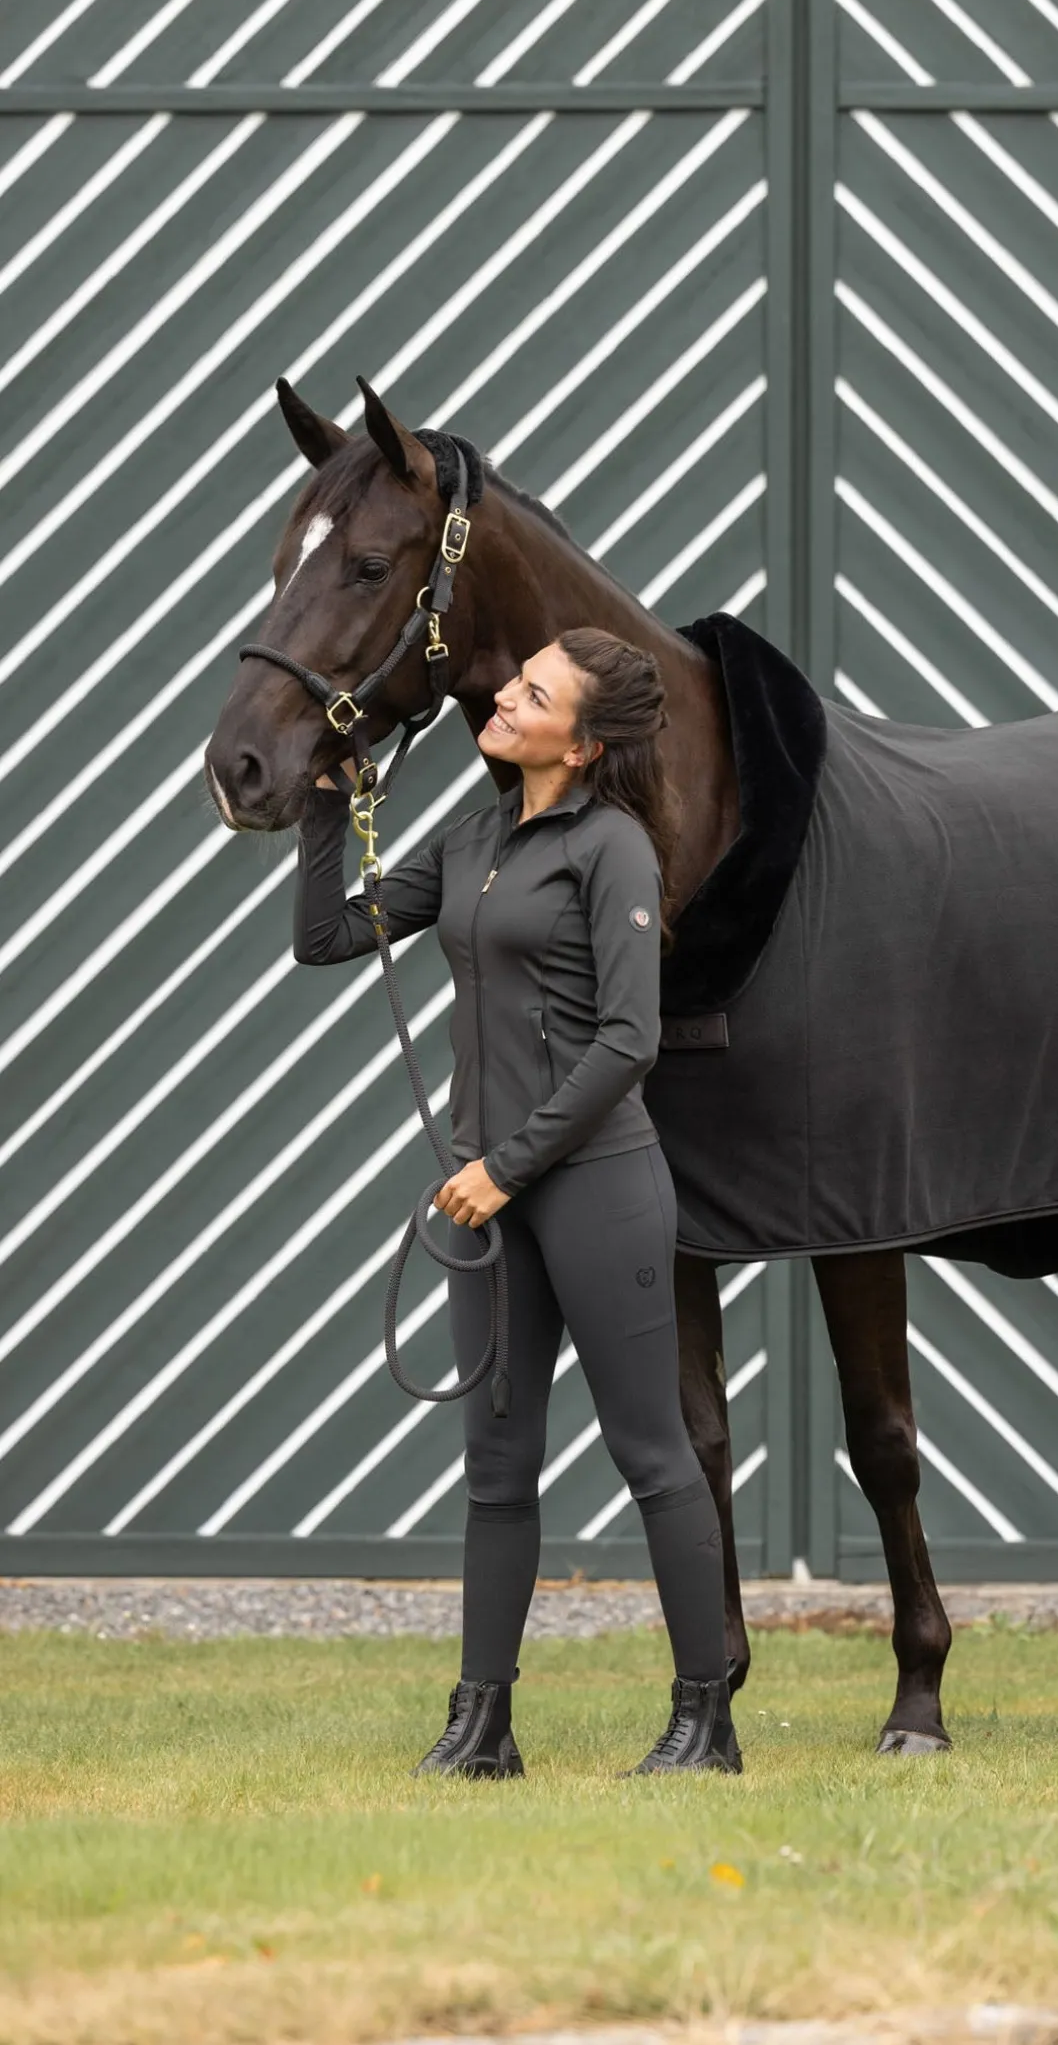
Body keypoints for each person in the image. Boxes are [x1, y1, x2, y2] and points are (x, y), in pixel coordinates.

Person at [293, 626, 739, 1780]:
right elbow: (329, 938)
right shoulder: (475, 835)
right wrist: (326, 813)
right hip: (484, 1196)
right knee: (496, 1470)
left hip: (591, 1188)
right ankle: (481, 1723)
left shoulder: (614, 851)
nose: (502, 692)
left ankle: (706, 1722)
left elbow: (628, 1041)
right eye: (514, 678)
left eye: (531, 691)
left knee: (655, 1457)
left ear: (582, 744)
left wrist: (506, 1166)